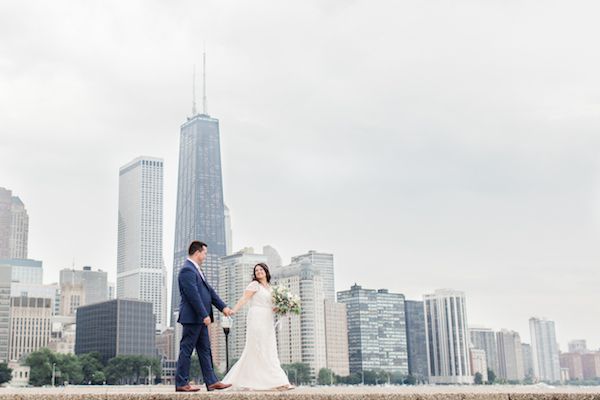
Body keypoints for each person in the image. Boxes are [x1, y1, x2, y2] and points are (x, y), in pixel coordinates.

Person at [222, 262, 294, 391]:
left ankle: (276, 381)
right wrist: (234, 310)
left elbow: (273, 307)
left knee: (269, 349)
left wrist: (284, 308)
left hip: (268, 319)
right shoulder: (254, 285)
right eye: (256, 270)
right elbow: (244, 299)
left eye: (261, 269)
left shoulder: (272, 288)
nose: (259, 272)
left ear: (266, 271)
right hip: (256, 317)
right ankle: (279, 381)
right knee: (257, 348)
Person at [175, 240, 234, 392]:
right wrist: (204, 314)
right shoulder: (187, 270)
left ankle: (212, 381)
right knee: (186, 350)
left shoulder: (197, 270)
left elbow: (210, 293)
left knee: (205, 350)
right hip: (193, 318)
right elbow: (193, 295)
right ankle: (182, 383)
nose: (206, 256)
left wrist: (223, 307)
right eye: (205, 253)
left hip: (200, 319)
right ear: (197, 252)